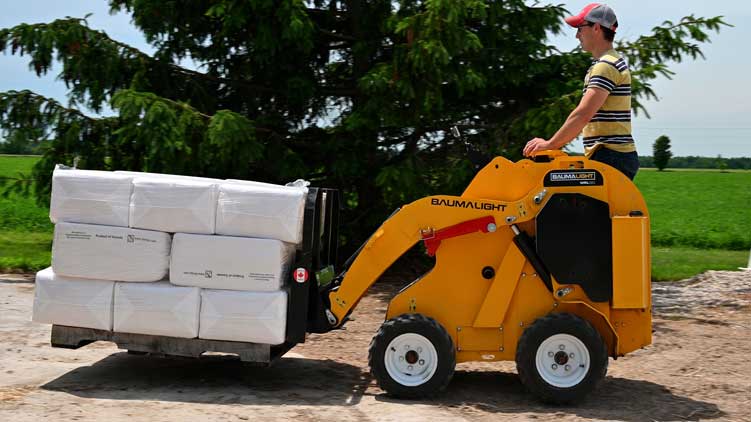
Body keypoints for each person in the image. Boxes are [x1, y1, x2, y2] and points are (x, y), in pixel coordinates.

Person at [523, 3, 639, 180]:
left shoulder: (606, 66)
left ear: (597, 28)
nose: (577, 35)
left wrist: (550, 144)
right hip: (612, 156)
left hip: (610, 156)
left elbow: (583, 114)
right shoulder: (608, 63)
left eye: (580, 28)